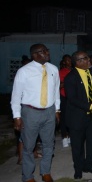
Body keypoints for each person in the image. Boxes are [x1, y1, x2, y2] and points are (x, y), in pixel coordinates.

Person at [11, 44, 60, 182]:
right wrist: (17, 116)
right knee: (29, 146)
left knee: (49, 144)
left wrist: (57, 109)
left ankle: (45, 172)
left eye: (47, 50)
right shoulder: (24, 71)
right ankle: (28, 176)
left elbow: (56, 91)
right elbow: (16, 96)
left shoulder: (53, 69)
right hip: (30, 112)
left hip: (49, 111)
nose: (47, 53)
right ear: (35, 55)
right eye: (43, 51)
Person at [64, 51, 92, 180]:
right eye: (86, 58)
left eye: (88, 58)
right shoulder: (70, 77)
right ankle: (78, 168)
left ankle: (89, 165)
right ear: (78, 62)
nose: (89, 60)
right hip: (77, 116)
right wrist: (90, 105)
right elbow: (72, 98)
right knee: (77, 145)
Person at [58, 54, 72, 148]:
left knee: (72, 118)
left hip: (73, 97)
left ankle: (71, 136)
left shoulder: (74, 71)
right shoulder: (61, 72)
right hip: (64, 97)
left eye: (70, 60)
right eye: (67, 60)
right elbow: (59, 85)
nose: (69, 62)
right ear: (64, 62)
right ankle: (64, 137)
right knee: (63, 118)